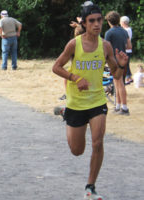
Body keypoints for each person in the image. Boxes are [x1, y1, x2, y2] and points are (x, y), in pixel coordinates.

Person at [52, 3, 128, 200]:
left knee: (97, 142)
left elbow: (117, 75)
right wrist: (76, 78)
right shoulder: (74, 44)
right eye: (92, 21)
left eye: (99, 20)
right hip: (76, 103)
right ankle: (65, 113)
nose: (96, 24)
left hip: (97, 101)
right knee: (77, 151)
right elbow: (56, 67)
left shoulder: (106, 46)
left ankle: (90, 187)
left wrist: (121, 64)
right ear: (84, 23)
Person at [105, 11, 132, 115]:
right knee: (118, 84)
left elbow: (106, 47)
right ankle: (118, 106)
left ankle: (124, 108)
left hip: (114, 61)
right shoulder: (124, 31)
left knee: (119, 84)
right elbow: (129, 46)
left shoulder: (109, 33)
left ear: (109, 21)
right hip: (124, 59)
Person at [120, 16, 133, 84]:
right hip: (128, 50)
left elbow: (125, 40)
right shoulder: (129, 29)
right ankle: (129, 77)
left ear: (124, 22)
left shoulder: (126, 30)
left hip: (126, 50)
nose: (120, 23)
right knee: (126, 64)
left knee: (125, 65)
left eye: (121, 22)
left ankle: (128, 77)